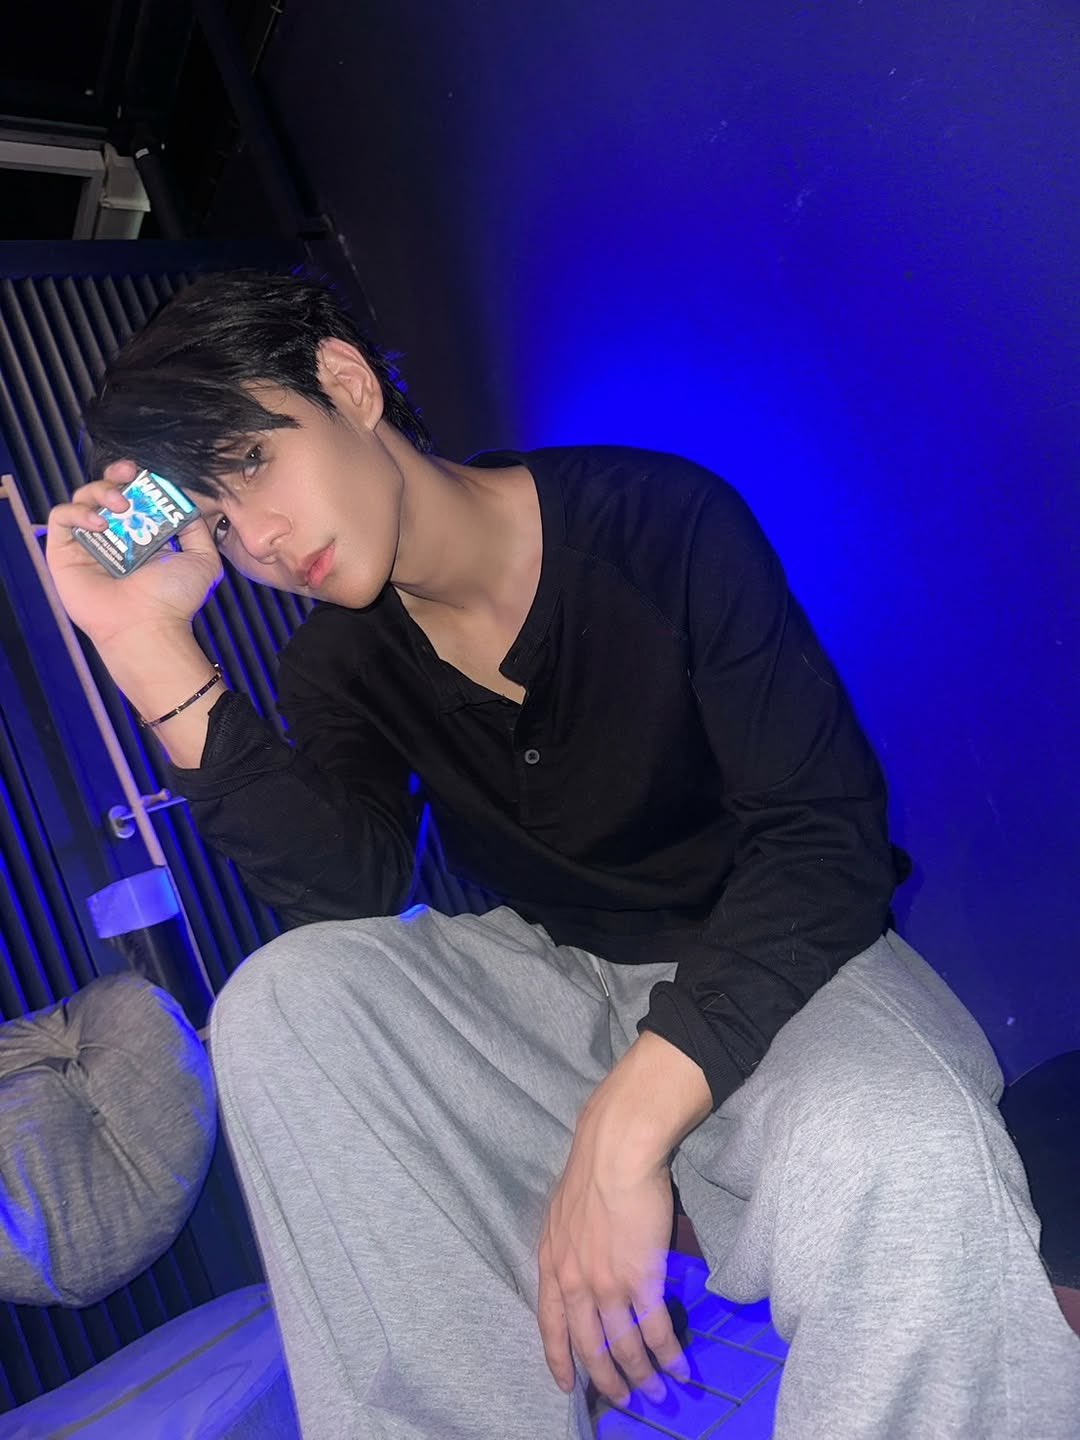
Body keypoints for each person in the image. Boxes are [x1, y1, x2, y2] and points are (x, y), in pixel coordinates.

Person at [47, 271, 1079, 1439]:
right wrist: (143, 644)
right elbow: (345, 890)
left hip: (786, 960)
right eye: (220, 525)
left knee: (900, 1137)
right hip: (555, 989)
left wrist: (626, 1125)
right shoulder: (339, 660)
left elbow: (822, 839)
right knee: (283, 1002)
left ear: (344, 385)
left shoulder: (658, 520)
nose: (262, 542)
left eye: (251, 464)